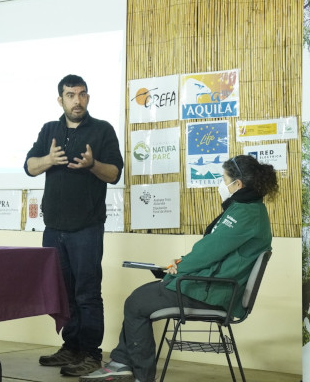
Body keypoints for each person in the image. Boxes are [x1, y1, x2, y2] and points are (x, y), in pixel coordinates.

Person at [80, 155, 278, 382]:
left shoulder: (245, 213)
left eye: (224, 179)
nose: (221, 184)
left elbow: (209, 251)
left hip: (215, 292)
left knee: (136, 303)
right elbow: (213, 249)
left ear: (238, 184)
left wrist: (181, 269)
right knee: (139, 299)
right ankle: (122, 363)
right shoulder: (247, 209)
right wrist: (182, 263)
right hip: (212, 286)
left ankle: (141, 375)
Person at [25, 74, 124, 377]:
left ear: (88, 98)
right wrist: (48, 160)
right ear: (61, 100)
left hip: (87, 227)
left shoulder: (102, 130)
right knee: (64, 292)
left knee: (87, 293)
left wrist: (93, 165)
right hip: (54, 226)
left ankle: (91, 354)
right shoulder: (49, 130)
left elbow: (115, 174)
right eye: (70, 95)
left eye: (82, 94)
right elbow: (30, 166)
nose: (77, 100)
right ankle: (71, 347)